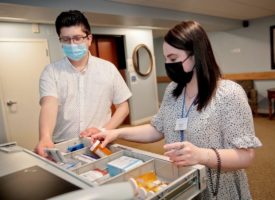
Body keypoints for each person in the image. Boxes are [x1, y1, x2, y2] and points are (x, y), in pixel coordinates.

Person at [84, 20, 262, 200]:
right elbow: (157, 128)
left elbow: (246, 156)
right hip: (182, 182)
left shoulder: (229, 94)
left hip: (218, 188)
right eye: (166, 58)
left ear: (196, 55)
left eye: (174, 59)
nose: (168, 64)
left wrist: (202, 155)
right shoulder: (173, 90)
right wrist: (116, 133)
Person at [35, 10, 132, 157]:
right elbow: (49, 104)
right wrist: (45, 137)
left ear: (89, 39)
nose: (72, 44)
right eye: (66, 39)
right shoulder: (51, 72)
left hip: (100, 141)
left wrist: (104, 130)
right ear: (60, 40)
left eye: (77, 38)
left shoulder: (108, 69)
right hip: (63, 145)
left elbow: (123, 107)